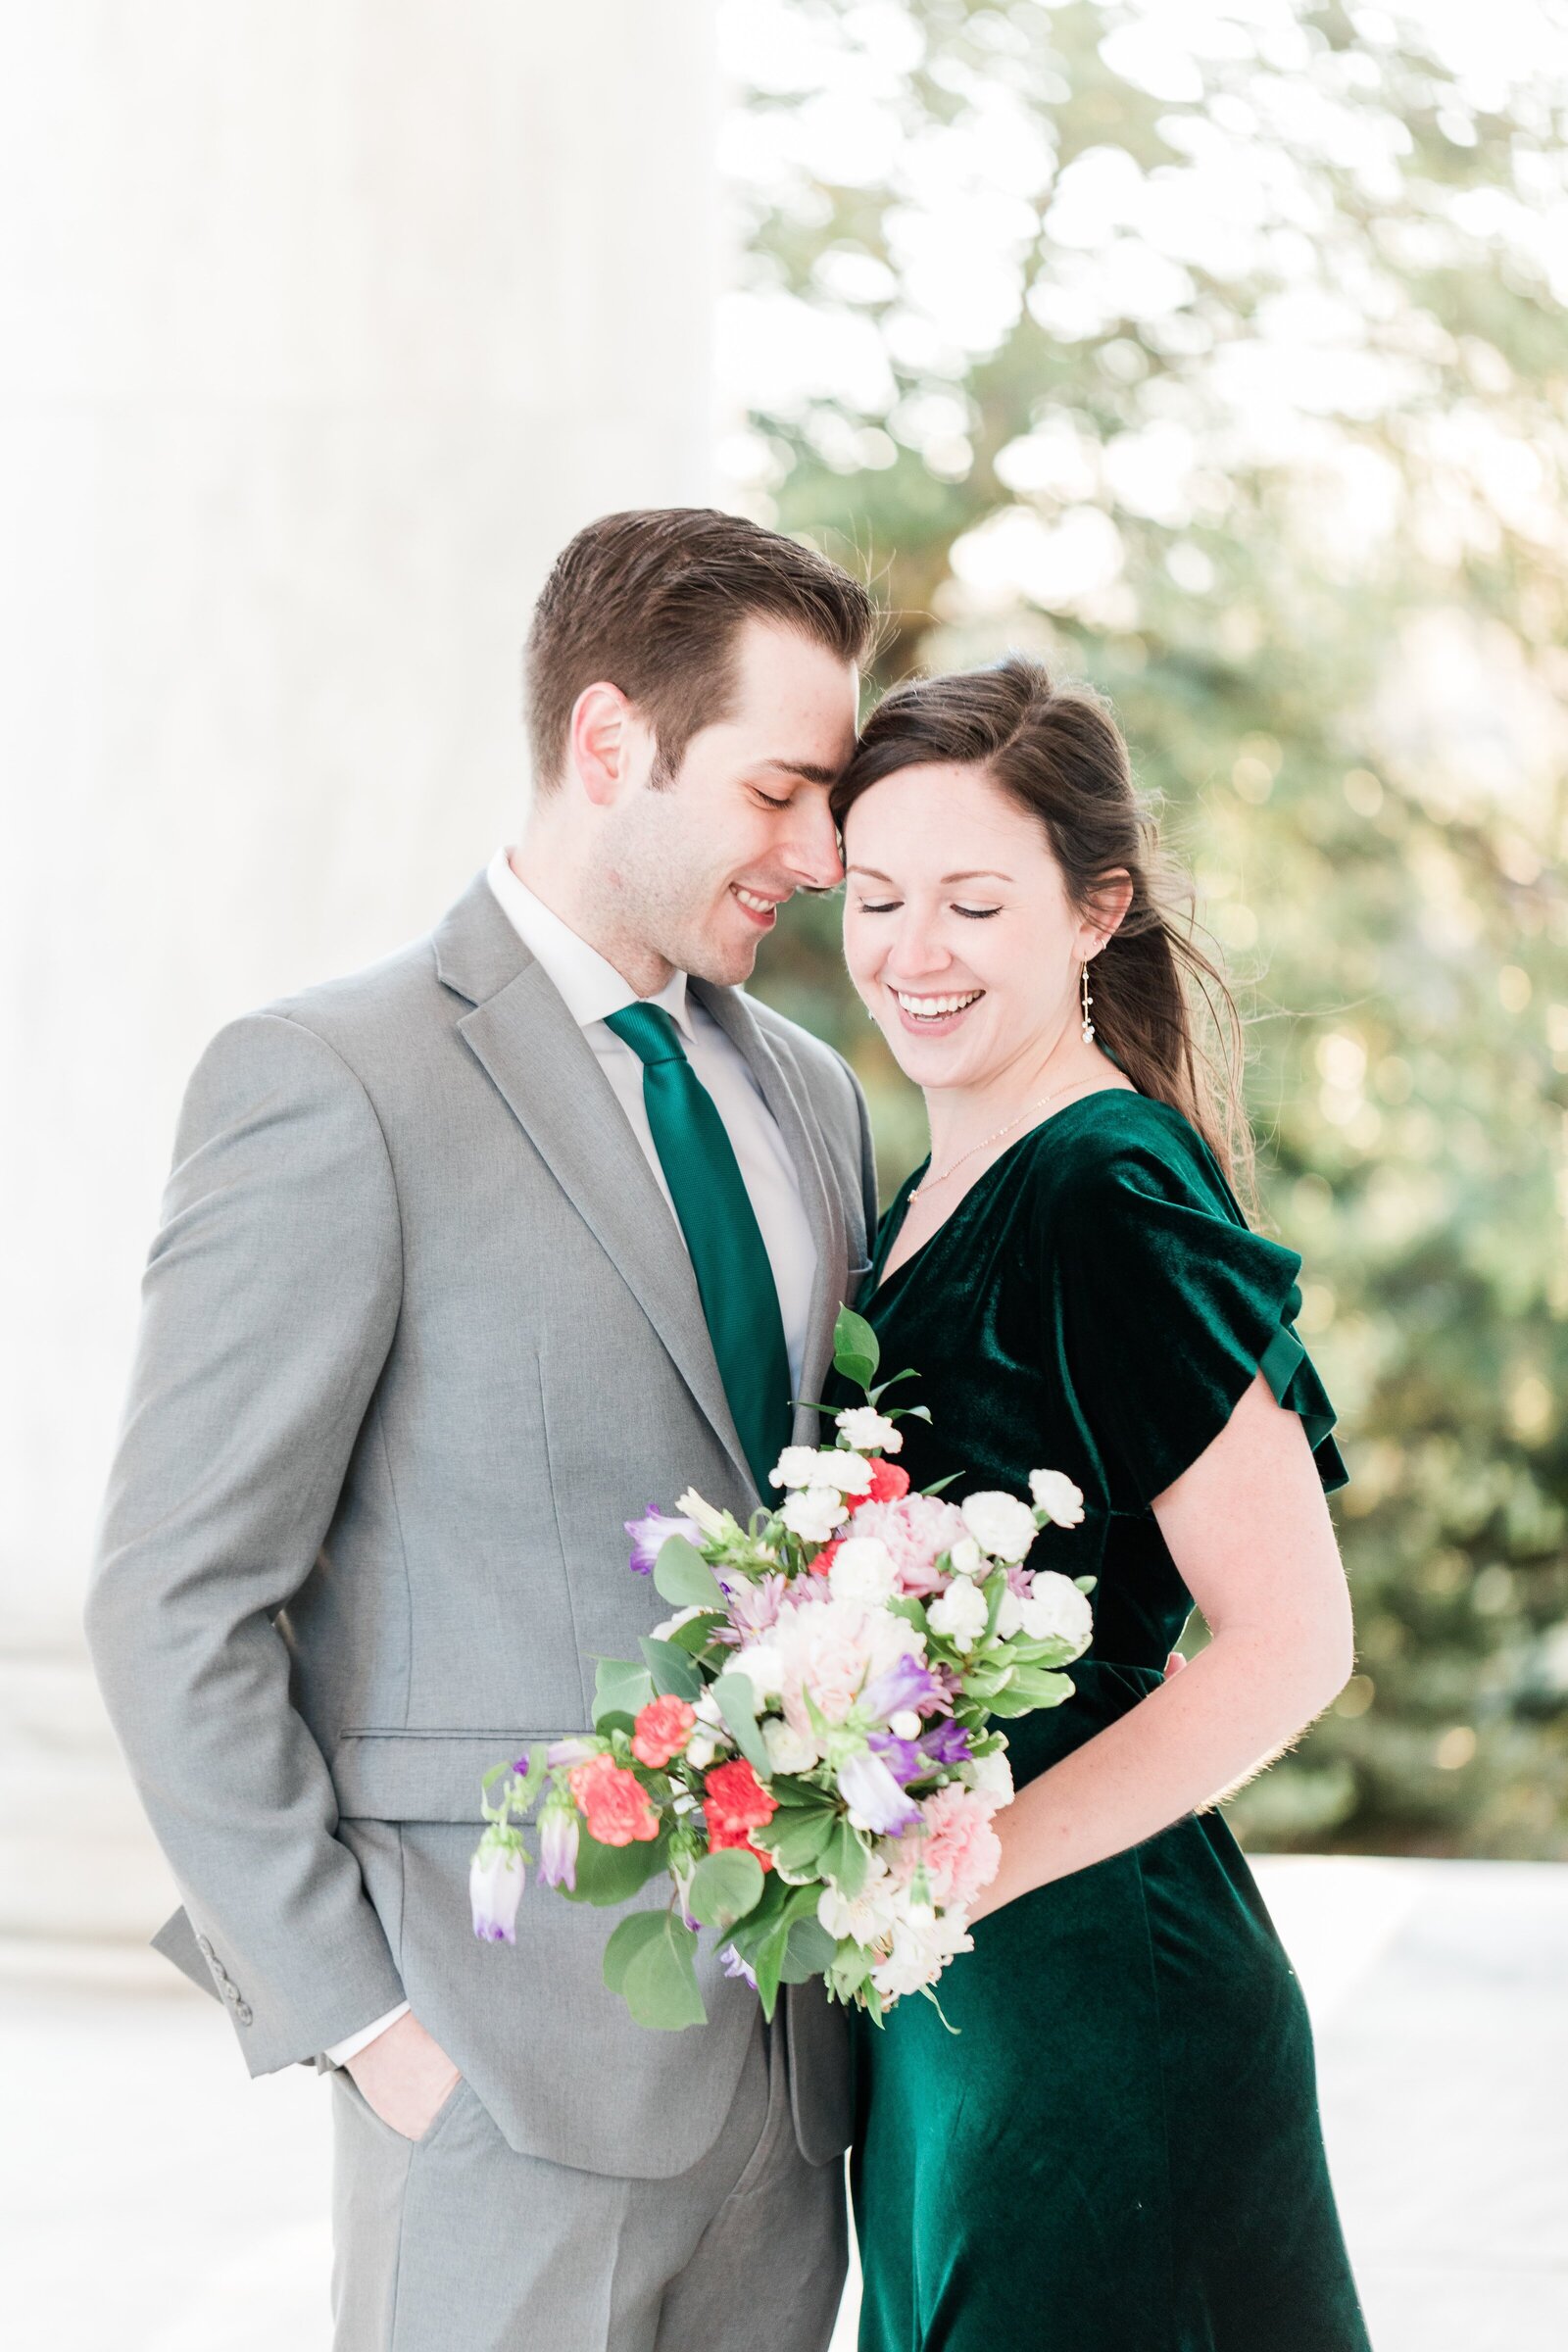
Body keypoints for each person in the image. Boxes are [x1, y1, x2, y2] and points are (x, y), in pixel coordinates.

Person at [86, 507, 881, 2352]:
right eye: (781, 792)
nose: (825, 854)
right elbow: (174, 1596)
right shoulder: (331, 1082)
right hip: (497, 2086)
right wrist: (370, 2029)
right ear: (612, 743)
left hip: (793, 2093)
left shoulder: (816, 1099)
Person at [829, 658, 1373, 2352]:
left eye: (974, 901)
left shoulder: (1105, 1183)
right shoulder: (940, 1180)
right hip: (951, 1995)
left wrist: (961, 1873)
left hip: (1091, 1995)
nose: (915, 950)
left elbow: (1292, 1641)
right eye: (878, 894)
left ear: (1095, 910)